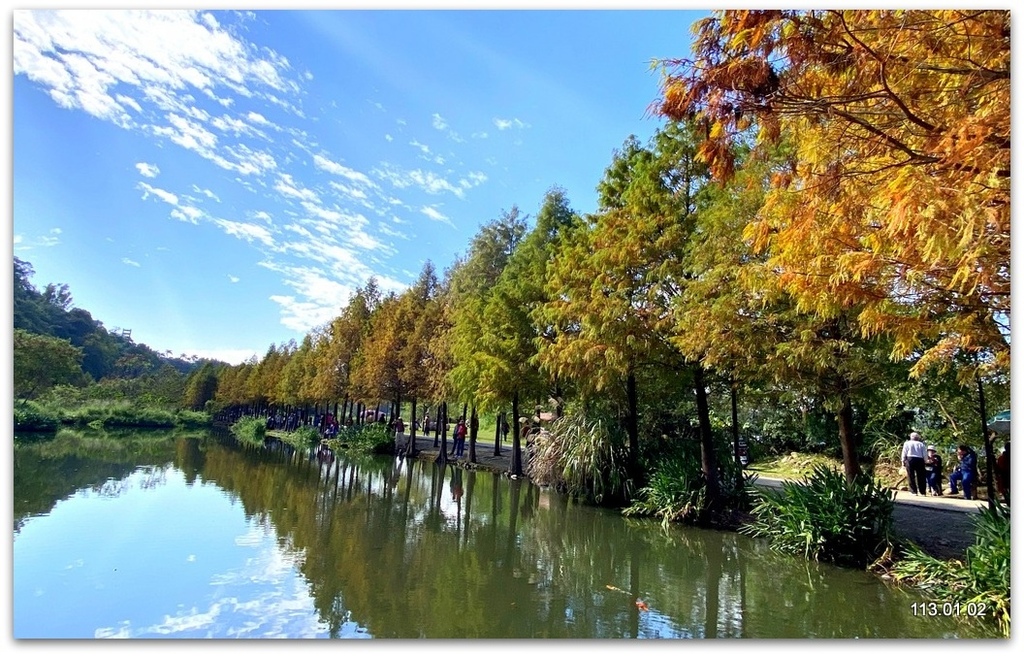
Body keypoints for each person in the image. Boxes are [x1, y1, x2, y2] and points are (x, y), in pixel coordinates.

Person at [900, 431, 928, 496]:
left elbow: (904, 452)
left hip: (910, 459)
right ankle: (922, 492)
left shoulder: (907, 443)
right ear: (918, 438)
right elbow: (925, 454)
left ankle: (913, 491)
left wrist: (903, 461)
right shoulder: (921, 444)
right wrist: (925, 461)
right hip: (920, 459)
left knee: (910, 475)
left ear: (911, 437)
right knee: (921, 476)